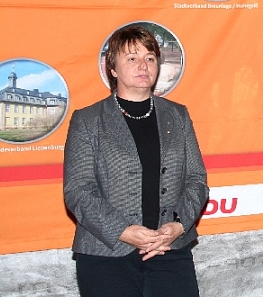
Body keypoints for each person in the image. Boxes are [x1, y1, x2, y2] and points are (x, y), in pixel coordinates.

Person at [64, 25, 209, 297]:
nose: (143, 65)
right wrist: (123, 231)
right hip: (106, 255)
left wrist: (178, 226)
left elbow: (196, 181)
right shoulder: (88, 121)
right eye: (132, 58)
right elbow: (79, 191)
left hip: (169, 250)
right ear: (113, 69)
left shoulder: (178, 116)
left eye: (150, 58)